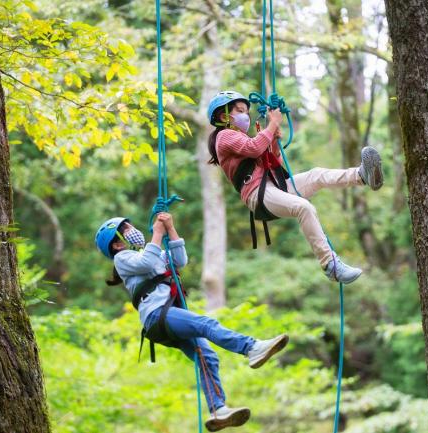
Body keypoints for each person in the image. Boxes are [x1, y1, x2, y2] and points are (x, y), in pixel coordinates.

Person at [95, 213, 288, 432]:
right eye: (127, 229)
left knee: (207, 356)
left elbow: (180, 260)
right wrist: (157, 233)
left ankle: (218, 410)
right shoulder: (124, 259)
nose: (133, 231)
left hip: (165, 317)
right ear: (117, 243)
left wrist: (170, 229)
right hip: (157, 315)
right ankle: (251, 347)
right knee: (206, 325)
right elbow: (147, 260)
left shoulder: (151, 253)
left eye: (131, 226)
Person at [207, 90, 384, 284]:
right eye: (240, 111)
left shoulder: (243, 139)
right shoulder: (224, 136)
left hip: (272, 186)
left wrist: (273, 137)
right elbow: (255, 148)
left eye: (246, 111)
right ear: (225, 116)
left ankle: (361, 176)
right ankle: (330, 265)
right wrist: (272, 124)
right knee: (304, 207)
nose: (245, 115)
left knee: (316, 175)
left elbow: (275, 159)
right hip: (258, 194)